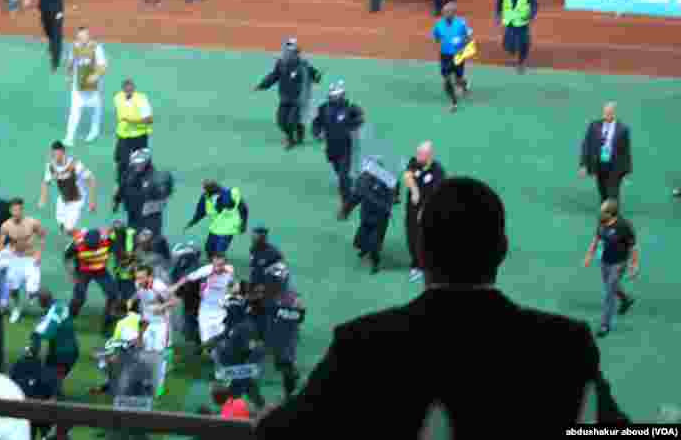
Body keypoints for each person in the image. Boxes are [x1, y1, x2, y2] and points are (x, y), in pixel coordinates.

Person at [256, 177, 630, 437]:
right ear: (502, 251)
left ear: (421, 251)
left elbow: (278, 432)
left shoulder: (363, 345)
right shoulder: (564, 344)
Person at [584, 199, 639, 338]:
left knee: (609, 293)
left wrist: (634, 264)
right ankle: (626, 299)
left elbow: (633, 247)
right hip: (604, 262)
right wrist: (589, 255)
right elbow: (596, 239)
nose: (600, 213)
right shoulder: (601, 222)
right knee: (611, 286)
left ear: (611, 214)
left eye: (603, 211)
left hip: (619, 263)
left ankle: (605, 325)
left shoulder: (624, 226)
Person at [254, 38, 322, 149]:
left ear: (295, 52)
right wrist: (262, 85)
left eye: (289, 51)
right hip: (284, 98)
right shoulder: (281, 63)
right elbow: (274, 76)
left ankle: (292, 140)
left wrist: (317, 76)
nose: (286, 53)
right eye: (286, 51)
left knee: (292, 121)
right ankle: (294, 134)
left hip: (298, 99)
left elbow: (315, 75)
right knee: (281, 121)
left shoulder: (303, 64)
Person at [30, 289, 79, 440]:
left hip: (61, 354)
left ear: (43, 300)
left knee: (54, 386)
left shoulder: (55, 311)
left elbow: (46, 332)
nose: (39, 303)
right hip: (67, 352)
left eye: (40, 300)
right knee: (54, 384)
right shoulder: (59, 307)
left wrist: (35, 339)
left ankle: (61, 424)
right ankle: (59, 422)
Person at [251, 262, 304, 398]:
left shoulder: (293, 299)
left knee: (286, 367)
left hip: (286, 340)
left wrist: (277, 311)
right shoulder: (269, 293)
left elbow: (298, 317)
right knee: (271, 358)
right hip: (271, 333)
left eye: (271, 280)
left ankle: (289, 393)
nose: (268, 282)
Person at [341, 157, 400, 274]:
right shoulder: (363, 180)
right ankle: (364, 248)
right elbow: (355, 197)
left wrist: (394, 197)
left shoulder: (388, 180)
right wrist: (346, 210)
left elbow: (395, 190)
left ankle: (375, 264)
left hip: (380, 218)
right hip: (366, 216)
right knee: (360, 240)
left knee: (375, 244)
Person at [312, 81, 365, 207]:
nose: (336, 97)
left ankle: (346, 202)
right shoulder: (323, 108)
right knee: (338, 171)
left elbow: (360, 118)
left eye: (338, 95)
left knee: (342, 176)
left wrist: (355, 124)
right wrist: (317, 133)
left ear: (342, 95)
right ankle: (348, 183)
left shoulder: (350, 108)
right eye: (333, 95)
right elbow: (317, 123)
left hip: (346, 148)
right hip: (331, 148)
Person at [170, 253, 235, 352]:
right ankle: (209, 352)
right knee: (206, 338)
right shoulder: (206, 270)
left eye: (221, 265)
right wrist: (175, 286)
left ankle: (222, 354)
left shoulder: (230, 270)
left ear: (225, 264)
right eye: (216, 265)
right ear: (213, 263)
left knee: (222, 334)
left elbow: (231, 284)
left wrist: (230, 295)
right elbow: (188, 278)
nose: (217, 268)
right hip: (206, 309)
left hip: (221, 308)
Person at [403, 141, 446, 282]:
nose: (417, 156)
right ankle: (416, 264)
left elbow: (437, 194)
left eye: (421, 154)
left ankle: (424, 265)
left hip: (429, 209)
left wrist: (425, 210)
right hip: (412, 209)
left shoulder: (437, 171)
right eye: (417, 153)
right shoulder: (414, 162)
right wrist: (414, 191)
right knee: (411, 235)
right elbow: (407, 176)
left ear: (429, 155)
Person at [0, 198, 46, 323]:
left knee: (33, 291)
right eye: (14, 210)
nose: (17, 212)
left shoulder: (32, 223)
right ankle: (16, 308)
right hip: (15, 260)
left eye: (19, 209)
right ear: (10, 210)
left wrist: (39, 254)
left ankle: (46, 311)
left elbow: (42, 236)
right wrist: (5, 252)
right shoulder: (5, 226)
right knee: (13, 288)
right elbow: (0, 245)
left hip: (31, 259)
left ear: (22, 209)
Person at [133, 263, 177, 394]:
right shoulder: (138, 285)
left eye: (141, 278)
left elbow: (174, 300)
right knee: (146, 353)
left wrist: (161, 307)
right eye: (137, 277)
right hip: (147, 323)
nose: (139, 281)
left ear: (150, 277)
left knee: (158, 355)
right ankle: (147, 381)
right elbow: (143, 302)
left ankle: (158, 387)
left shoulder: (159, 287)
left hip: (161, 325)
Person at [64, 227, 117, 334]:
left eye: (94, 247)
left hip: (100, 269)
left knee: (113, 294)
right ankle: (66, 322)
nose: (92, 249)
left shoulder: (108, 240)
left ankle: (107, 325)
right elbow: (67, 258)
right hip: (83, 271)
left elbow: (117, 248)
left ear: (100, 241)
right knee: (79, 298)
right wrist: (72, 274)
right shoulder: (76, 243)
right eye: (89, 247)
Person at [579, 102, 633, 204]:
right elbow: (586, 145)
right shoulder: (594, 126)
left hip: (615, 166)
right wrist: (583, 164)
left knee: (613, 192)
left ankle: (613, 214)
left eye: (609, 113)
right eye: (605, 112)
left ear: (614, 114)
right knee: (603, 191)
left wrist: (627, 170)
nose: (606, 115)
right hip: (599, 164)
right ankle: (605, 214)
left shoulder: (623, 129)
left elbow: (626, 151)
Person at [40, 140, 98, 234]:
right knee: (62, 226)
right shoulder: (51, 166)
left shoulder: (75, 165)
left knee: (69, 229)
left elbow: (91, 179)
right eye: (52, 154)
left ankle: (91, 235)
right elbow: (46, 182)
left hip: (77, 199)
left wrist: (92, 201)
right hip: (63, 199)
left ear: (63, 152)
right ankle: (82, 236)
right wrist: (43, 198)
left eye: (56, 154)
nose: (54, 157)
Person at [65, 26, 107, 145]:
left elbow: (103, 66)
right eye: (80, 36)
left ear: (88, 36)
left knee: (95, 110)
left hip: (94, 87)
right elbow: (70, 62)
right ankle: (69, 137)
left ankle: (94, 131)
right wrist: (68, 76)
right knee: (74, 111)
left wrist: (96, 75)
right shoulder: (74, 47)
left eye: (84, 36)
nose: (82, 38)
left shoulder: (96, 48)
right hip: (78, 86)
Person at [186, 179, 249, 258]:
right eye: (205, 189)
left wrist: (244, 224)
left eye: (207, 189)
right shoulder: (205, 196)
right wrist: (192, 222)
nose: (205, 191)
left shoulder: (230, 194)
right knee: (209, 248)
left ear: (214, 188)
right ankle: (213, 266)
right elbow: (201, 211)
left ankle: (221, 268)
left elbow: (243, 208)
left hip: (228, 228)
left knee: (219, 250)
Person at [9, 349, 60, 440]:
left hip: (28, 411)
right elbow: (54, 395)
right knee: (45, 435)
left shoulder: (17, 368)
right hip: (41, 411)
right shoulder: (46, 371)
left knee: (30, 435)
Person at [32, 0, 71, 72]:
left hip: (57, 10)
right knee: (47, 30)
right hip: (44, 9)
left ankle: (55, 61)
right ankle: (51, 42)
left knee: (57, 35)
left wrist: (71, 1)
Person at [432, 2, 472, 112]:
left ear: (454, 13)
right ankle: (454, 102)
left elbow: (469, 38)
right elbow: (436, 37)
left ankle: (464, 84)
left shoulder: (462, 24)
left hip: (459, 54)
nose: (445, 14)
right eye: (444, 12)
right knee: (447, 78)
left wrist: (461, 41)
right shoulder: (439, 25)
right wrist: (443, 44)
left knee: (458, 78)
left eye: (448, 12)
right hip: (445, 55)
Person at [113, 79, 154, 179]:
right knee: (120, 160)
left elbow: (149, 120)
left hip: (139, 136)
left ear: (134, 89)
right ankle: (121, 183)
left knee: (143, 161)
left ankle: (147, 180)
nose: (128, 92)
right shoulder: (117, 98)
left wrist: (131, 121)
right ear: (123, 90)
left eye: (130, 90)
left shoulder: (141, 100)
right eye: (126, 90)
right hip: (123, 135)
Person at [495, 0, 538, 73]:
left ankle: (521, 63)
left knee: (525, 43)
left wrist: (531, 15)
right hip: (510, 21)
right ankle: (510, 48)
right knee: (509, 45)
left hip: (522, 22)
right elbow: (498, 3)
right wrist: (497, 15)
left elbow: (534, 4)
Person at [108, 220, 138, 302]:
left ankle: (131, 309)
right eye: (115, 229)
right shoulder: (112, 235)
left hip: (131, 269)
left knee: (130, 291)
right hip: (120, 268)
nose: (117, 231)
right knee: (118, 291)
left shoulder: (131, 234)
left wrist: (131, 262)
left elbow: (134, 252)